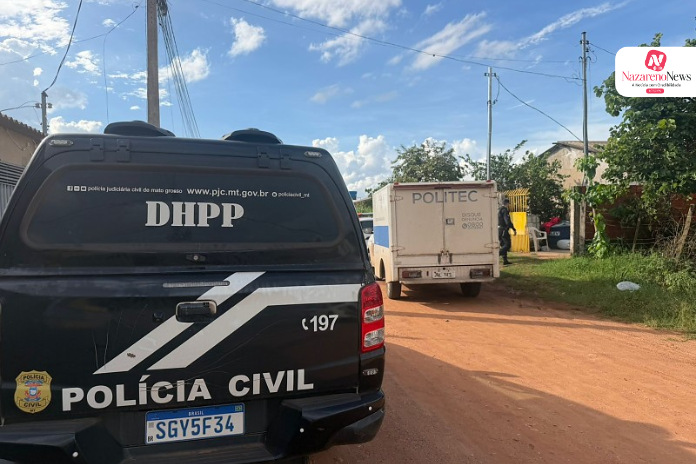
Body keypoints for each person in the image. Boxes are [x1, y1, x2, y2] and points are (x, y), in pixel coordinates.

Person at [498, 199, 517, 265]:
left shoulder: (499, 210)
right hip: (504, 230)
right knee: (507, 245)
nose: (509, 205)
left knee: (503, 245)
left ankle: (505, 260)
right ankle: (497, 254)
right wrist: (513, 229)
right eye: (509, 204)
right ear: (507, 203)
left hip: (498, 230)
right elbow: (507, 221)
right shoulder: (505, 210)